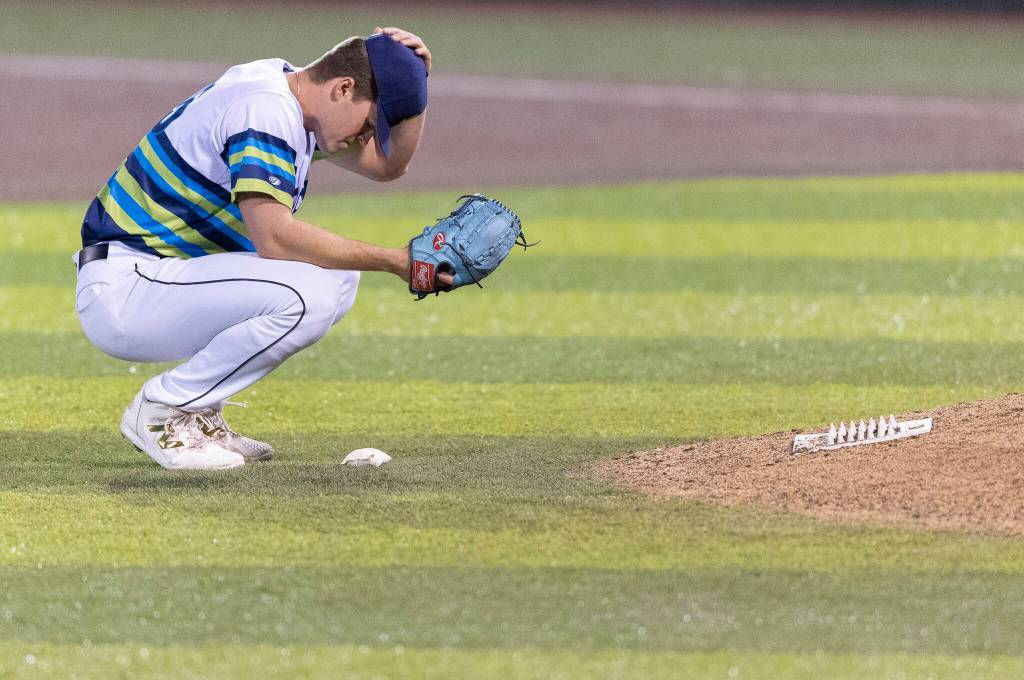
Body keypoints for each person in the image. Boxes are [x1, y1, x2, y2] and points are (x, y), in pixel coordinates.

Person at [73, 28, 445, 470]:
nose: (366, 138)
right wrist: (395, 261)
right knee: (310, 294)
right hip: (130, 287)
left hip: (163, 279)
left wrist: (416, 90)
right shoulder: (265, 111)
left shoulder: (290, 93)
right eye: (368, 124)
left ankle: (199, 414)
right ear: (343, 88)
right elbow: (275, 237)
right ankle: (162, 411)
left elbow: (388, 166)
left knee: (339, 277)